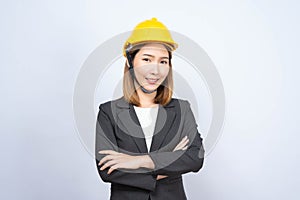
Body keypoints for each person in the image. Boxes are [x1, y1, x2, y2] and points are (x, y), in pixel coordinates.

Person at [95, 17, 205, 200]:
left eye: (163, 61)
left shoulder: (182, 109)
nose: (156, 70)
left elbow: (195, 158)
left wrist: (140, 161)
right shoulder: (109, 112)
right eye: (147, 59)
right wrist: (170, 159)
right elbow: (108, 171)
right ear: (131, 62)